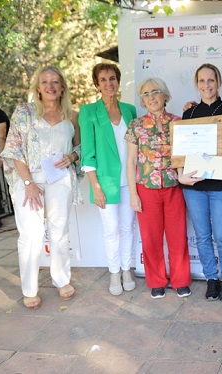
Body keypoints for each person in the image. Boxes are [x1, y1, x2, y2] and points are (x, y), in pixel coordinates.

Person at [0, 66, 82, 309]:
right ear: (37, 87)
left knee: (59, 233)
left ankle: (61, 280)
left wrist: (72, 158)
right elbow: (14, 149)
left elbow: (80, 149)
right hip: (28, 181)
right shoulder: (24, 112)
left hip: (60, 180)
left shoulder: (72, 116)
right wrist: (28, 183)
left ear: (62, 86)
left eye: (55, 81)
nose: (50, 86)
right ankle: (30, 288)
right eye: (45, 82)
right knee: (31, 236)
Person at [179, 63, 222, 302]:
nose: (206, 85)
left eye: (211, 80)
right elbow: (182, 151)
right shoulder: (189, 114)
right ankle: (211, 279)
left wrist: (218, 169)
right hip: (194, 186)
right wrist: (186, 172)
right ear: (197, 84)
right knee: (203, 235)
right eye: (202, 81)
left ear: (218, 82)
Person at [125, 77, 191, 299]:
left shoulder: (178, 122)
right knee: (151, 237)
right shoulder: (136, 125)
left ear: (165, 95)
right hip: (146, 189)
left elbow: (184, 157)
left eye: (155, 92)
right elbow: (132, 161)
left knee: (178, 236)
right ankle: (157, 281)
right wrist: (133, 194)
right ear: (142, 100)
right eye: (145, 94)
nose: (151, 97)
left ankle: (181, 280)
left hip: (174, 187)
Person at [80, 63, 138, 296]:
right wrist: (96, 186)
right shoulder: (89, 112)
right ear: (97, 84)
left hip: (131, 181)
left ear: (118, 81)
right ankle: (114, 272)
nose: (108, 83)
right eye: (103, 79)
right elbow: (88, 152)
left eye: (112, 78)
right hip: (105, 182)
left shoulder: (130, 110)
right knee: (111, 229)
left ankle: (126, 270)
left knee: (127, 228)